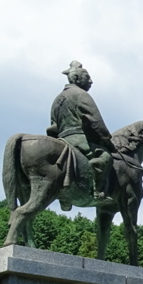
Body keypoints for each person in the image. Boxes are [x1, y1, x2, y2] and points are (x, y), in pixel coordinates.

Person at [47, 61, 117, 200]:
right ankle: (96, 191)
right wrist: (107, 141)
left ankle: (64, 199)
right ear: (77, 78)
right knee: (105, 157)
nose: (91, 81)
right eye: (87, 77)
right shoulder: (80, 94)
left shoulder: (57, 100)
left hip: (61, 140)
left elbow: (52, 127)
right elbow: (95, 121)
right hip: (78, 138)